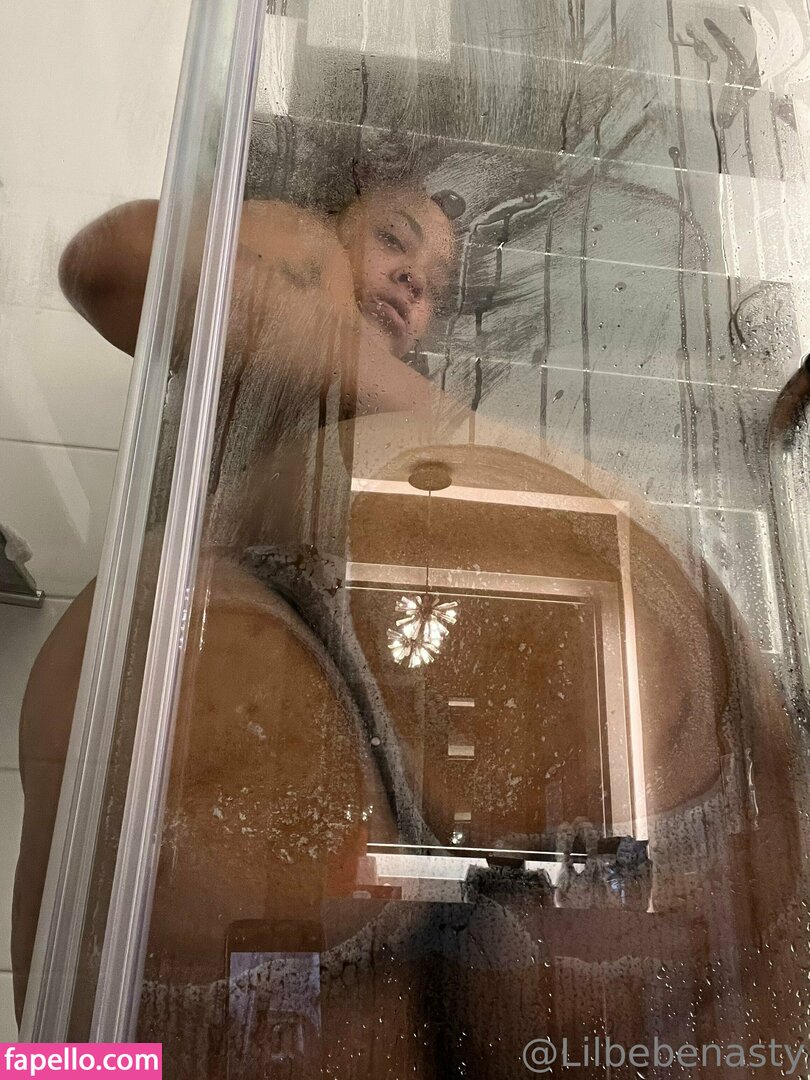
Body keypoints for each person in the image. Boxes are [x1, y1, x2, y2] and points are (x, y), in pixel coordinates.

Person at [13, 176, 805, 1077]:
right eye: (392, 241)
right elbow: (111, 258)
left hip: (473, 695)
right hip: (288, 629)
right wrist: (367, 362)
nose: (412, 280)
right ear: (333, 233)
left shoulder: (385, 410)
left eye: (434, 282)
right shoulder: (301, 259)